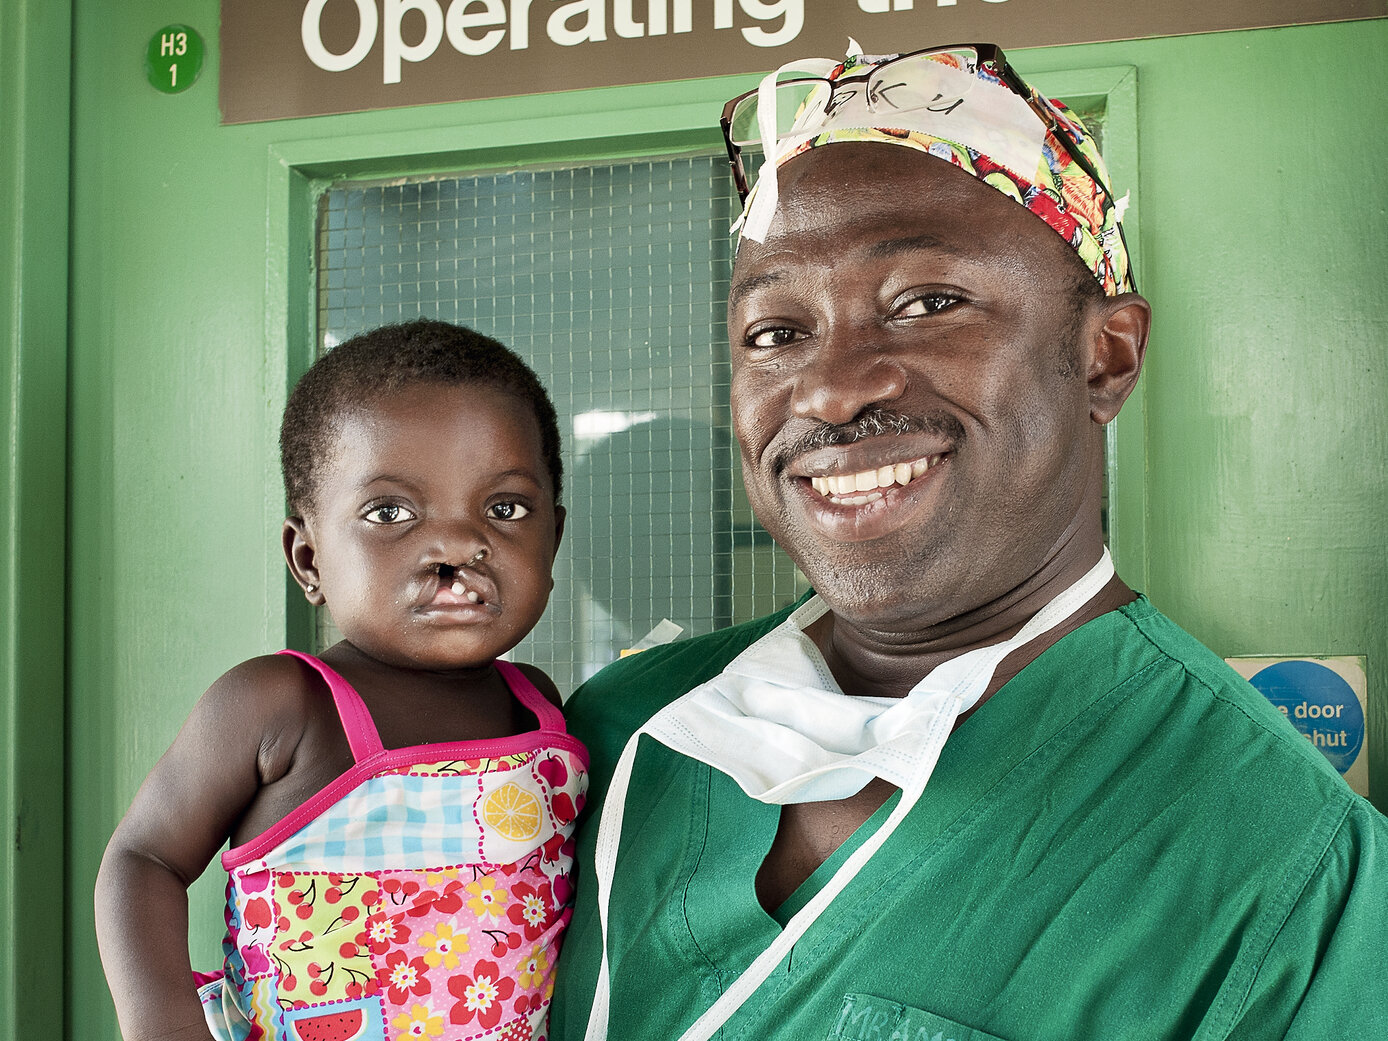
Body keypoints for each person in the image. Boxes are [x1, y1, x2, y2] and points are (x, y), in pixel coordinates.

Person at [548, 44, 1388, 1040]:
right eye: (774, 332)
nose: (825, 388)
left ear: (1103, 355)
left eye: (927, 303)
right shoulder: (610, 734)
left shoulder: (1281, 870)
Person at [96, 319, 587, 1041]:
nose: (456, 543)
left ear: (555, 537)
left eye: (505, 508)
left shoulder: (540, 711)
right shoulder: (280, 703)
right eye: (391, 512)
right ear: (308, 558)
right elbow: (144, 858)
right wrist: (161, 1021)